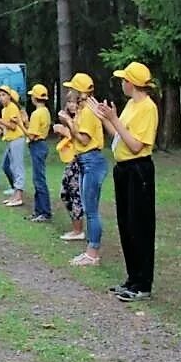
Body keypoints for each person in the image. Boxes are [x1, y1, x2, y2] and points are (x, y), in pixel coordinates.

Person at [90, 63, 158, 302]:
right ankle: (132, 278)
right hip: (124, 169)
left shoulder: (147, 108)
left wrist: (114, 119)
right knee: (126, 224)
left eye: (123, 80)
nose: (121, 83)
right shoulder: (131, 105)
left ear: (132, 82)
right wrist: (105, 119)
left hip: (138, 170)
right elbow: (119, 136)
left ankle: (142, 284)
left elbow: (136, 145)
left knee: (140, 226)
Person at [58, 73, 106, 266]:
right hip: (87, 160)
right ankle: (90, 250)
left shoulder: (87, 112)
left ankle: (92, 253)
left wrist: (68, 123)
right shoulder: (84, 110)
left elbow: (84, 139)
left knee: (91, 210)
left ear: (80, 92)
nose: (70, 92)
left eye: (73, 89)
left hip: (91, 160)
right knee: (89, 208)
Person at [55, 91, 85, 242]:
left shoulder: (82, 117)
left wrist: (66, 130)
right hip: (71, 161)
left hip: (78, 160)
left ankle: (78, 230)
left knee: (75, 194)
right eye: (69, 102)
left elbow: (82, 138)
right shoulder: (71, 118)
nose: (72, 105)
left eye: (75, 101)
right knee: (65, 193)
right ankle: (76, 228)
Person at [26, 84, 53, 222]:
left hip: (37, 145)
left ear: (34, 98)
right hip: (42, 144)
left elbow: (31, 136)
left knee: (39, 180)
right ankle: (38, 210)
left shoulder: (36, 114)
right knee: (38, 178)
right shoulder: (46, 111)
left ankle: (44, 211)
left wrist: (20, 123)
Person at [0, 85, 27, 206]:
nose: (1, 97)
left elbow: (13, 126)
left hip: (17, 139)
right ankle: (15, 193)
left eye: (3, 95)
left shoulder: (12, 107)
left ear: (10, 96)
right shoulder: (5, 109)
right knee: (8, 165)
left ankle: (18, 195)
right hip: (10, 140)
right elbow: (6, 127)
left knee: (17, 166)